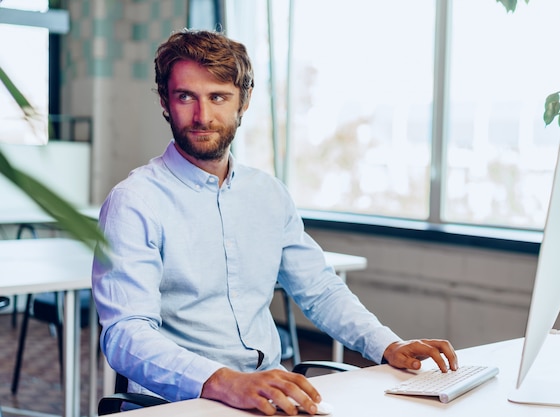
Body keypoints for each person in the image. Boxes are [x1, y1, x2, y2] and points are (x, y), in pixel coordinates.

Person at [92, 28, 458, 416]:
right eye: (186, 97)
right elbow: (125, 335)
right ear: (166, 102)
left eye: (218, 97)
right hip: (182, 401)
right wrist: (225, 382)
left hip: (269, 391)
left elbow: (319, 289)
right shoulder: (134, 202)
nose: (202, 116)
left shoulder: (268, 194)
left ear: (243, 102)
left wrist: (388, 346)